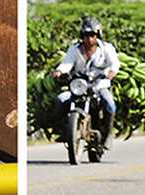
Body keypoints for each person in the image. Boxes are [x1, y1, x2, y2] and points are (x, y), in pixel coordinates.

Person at [52, 16, 121, 147]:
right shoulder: (75, 49)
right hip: (80, 85)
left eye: (92, 35)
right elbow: (67, 63)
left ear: (97, 35)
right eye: (86, 35)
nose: (89, 39)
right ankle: (63, 130)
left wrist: (112, 72)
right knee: (60, 100)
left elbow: (114, 63)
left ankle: (107, 134)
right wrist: (59, 71)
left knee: (110, 104)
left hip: (99, 85)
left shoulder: (106, 48)